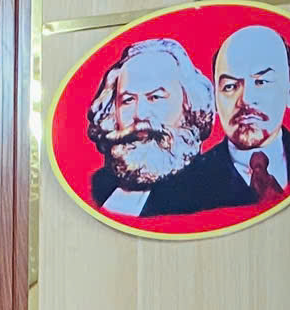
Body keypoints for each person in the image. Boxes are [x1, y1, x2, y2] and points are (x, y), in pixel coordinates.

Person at [184, 22, 290, 211]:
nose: (245, 99)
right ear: (215, 99)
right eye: (230, 87)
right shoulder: (188, 184)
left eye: (261, 82)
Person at [85, 36, 216, 217]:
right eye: (128, 100)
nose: (140, 114)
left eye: (155, 97)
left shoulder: (212, 191)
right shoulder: (98, 188)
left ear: (188, 105)